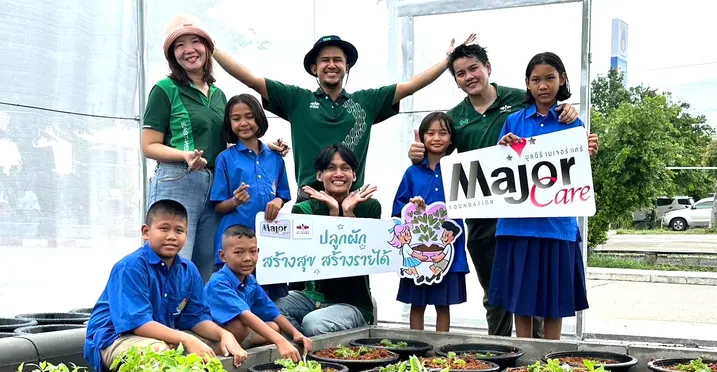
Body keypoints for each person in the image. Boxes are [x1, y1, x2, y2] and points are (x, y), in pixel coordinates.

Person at [408, 43, 591, 337]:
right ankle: (502, 350)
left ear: (488, 68)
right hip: (482, 217)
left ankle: (541, 353)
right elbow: (438, 150)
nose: (469, 76)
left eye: (474, 69)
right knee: (498, 292)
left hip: (532, 214)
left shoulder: (519, 99)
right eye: (460, 73)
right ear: (455, 80)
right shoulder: (454, 117)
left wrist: (570, 113)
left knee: (539, 294)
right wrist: (419, 152)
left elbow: (553, 114)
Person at [213, 33, 475, 200]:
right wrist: (211, 47)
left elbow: (410, 86)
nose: (331, 65)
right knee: (310, 283)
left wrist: (446, 61)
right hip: (311, 198)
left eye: (338, 59)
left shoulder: (365, 102)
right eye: (325, 60)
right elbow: (250, 79)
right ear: (314, 68)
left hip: (355, 198)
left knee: (354, 281)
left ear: (346, 66)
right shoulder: (297, 99)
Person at [141, 14, 289, 284]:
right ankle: (160, 321)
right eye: (179, 45)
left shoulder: (218, 94)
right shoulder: (165, 89)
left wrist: (260, 145)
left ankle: (193, 319)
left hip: (214, 182)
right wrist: (184, 156)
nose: (189, 50)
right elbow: (149, 146)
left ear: (208, 47)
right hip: (177, 178)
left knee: (205, 257)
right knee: (172, 251)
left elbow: (224, 141)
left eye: (195, 41)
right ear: (172, 55)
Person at [491, 52, 597, 340]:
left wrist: (587, 152)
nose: (543, 85)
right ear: (527, 84)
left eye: (550, 78)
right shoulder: (513, 122)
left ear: (562, 79)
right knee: (520, 301)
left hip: (556, 226)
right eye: (536, 80)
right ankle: (525, 355)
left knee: (555, 301)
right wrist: (503, 147)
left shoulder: (572, 122)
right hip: (517, 224)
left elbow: (578, 173)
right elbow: (498, 169)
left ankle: (551, 358)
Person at [84, 199, 247, 372]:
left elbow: (196, 317)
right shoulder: (131, 267)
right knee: (161, 355)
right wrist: (186, 339)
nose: (172, 236)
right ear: (146, 232)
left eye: (179, 230)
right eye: (164, 228)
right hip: (117, 338)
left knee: (222, 345)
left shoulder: (188, 270)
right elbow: (138, 324)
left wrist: (225, 335)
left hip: (162, 336)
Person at [274, 144, 379, 335]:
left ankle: (347, 327)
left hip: (352, 302)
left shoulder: (369, 208)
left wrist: (347, 215)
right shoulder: (303, 209)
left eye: (345, 168)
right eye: (331, 168)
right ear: (319, 175)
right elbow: (312, 255)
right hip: (310, 296)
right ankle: (302, 341)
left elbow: (362, 256)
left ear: (354, 175)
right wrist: (332, 213)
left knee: (314, 323)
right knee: (270, 307)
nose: (338, 173)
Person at [393, 112, 468, 332]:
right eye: (431, 133)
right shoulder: (412, 172)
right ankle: (417, 349)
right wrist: (412, 207)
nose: (437, 138)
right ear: (422, 137)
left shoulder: (460, 169)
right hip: (417, 248)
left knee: (443, 304)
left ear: (452, 138)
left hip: (448, 248)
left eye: (443, 133)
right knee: (417, 303)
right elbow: (398, 209)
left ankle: (439, 351)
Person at [211, 94, 290, 301]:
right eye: (236, 119)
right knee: (236, 302)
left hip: (269, 242)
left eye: (249, 116)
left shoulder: (275, 158)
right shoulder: (225, 159)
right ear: (229, 123)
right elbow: (218, 206)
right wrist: (235, 201)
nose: (243, 123)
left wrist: (278, 201)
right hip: (235, 245)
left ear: (259, 119)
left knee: (274, 302)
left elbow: (283, 194)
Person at [205, 225, 312, 360]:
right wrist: (280, 341)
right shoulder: (218, 282)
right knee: (239, 325)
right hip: (210, 336)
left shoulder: (250, 280)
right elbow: (244, 315)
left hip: (237, 335)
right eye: (239, 252)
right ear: (223, 256)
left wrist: (296, 333)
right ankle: (216, 356)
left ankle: (246, 354)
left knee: (273, 327)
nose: (248, 258)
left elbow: (272, 312)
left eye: (253, 251)